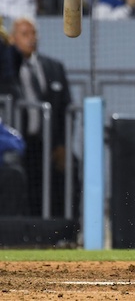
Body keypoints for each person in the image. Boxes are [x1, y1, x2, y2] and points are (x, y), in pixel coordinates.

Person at [9, 16, 76, 218]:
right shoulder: (9, 68)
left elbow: (66, 108)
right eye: (24, 34)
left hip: (48, 142)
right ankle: (23, 231)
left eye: (33, 33)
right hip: (18, 141)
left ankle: (64, 228)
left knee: (68, 173)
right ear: (12, 39)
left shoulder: (53, 67)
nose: (31, 39)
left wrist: (62, 144)